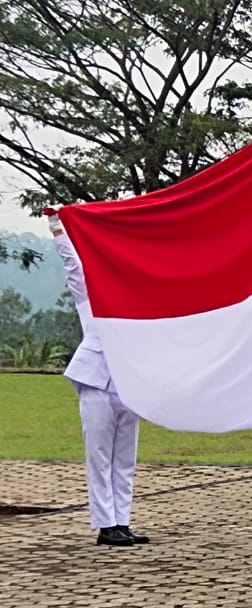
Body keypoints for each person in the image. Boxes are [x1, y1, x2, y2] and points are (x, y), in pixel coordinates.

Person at [46, 208, 147, 547]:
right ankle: (106, 525)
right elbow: (74, 270)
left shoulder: (139, 304)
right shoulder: (91, 299)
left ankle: (122, 521)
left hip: (129, 385)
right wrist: (58, 229)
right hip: (96, 382)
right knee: (100, 457)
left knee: (125, 460)